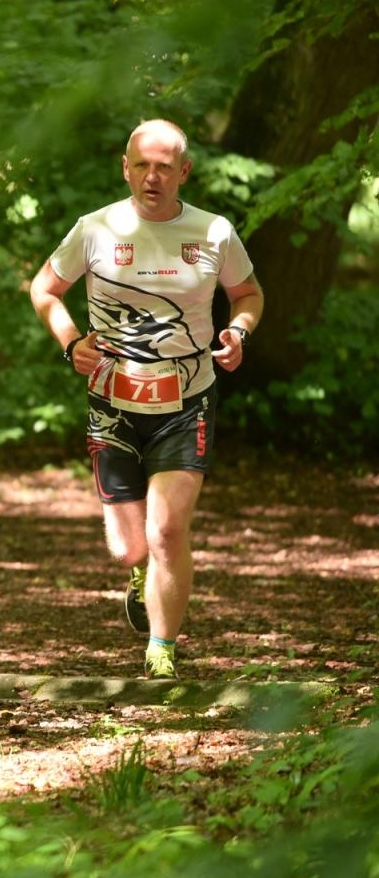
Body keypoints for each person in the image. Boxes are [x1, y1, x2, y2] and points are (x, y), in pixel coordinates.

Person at [29, 119, 264, 679]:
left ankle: (162, 648)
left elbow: (248, 293)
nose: (152, 177)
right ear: (125, 166)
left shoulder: (212, 232)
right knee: (130, 549)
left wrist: (239, 331)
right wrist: (70, 343)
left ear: (184, 171)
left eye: (164, 167)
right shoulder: (96, 229)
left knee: (166, 531)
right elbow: (44, 288)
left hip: (188, 401)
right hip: (113, 404)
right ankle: (140, 575)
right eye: (142, 165)